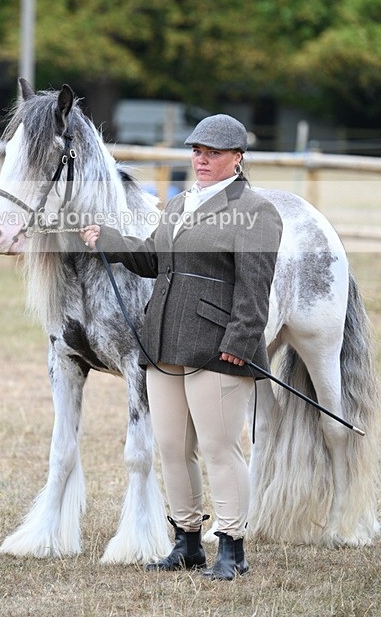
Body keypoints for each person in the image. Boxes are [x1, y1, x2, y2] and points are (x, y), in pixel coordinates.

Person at [80, 114, 283, 580]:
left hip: (219, 347)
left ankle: (232, 547)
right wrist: (106, 239)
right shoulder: (177, 205)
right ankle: (187, 543)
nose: (203, 159)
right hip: (164, 341)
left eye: (213, 153)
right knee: (172, 446)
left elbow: (256, 289)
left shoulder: (256, 211)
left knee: (219, 447)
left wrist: (240, 342)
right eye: (197, 151)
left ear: (237, 157)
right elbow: (153, 259)